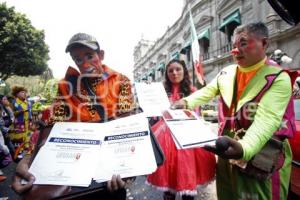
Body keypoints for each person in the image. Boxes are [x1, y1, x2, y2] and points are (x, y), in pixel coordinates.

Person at [171, 22, 295, 200]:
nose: (235, 51)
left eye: (243, 43)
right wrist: (184, 102)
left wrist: (245, 148)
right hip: (227, 151)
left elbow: (267, 119)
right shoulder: (226, 73)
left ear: (264, 43)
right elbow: (207, 92)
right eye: (234, 45)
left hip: (264, 155)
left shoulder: (278, 77)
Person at [11, 33, 136, 200]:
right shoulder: (66, 86)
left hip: (110, 170)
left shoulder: (122, 81)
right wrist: (27, 159)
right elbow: (51, 124)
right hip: (76, 169)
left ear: (101, 55)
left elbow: (127, 124)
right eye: (78, 59)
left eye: (90, 56)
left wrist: (126, 167)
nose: (85, 64)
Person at [147, 59, 216, 200]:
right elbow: (154, 113)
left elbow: (195, 113)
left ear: (184, 71)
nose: (174, 73)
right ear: (166, 74)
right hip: (165, 138)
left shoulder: (192, 91)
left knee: (188, 185)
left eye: (178, 69)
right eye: (170, 70)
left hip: (188, 138)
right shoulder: (160, 91)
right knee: (167, 185)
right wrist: (148, 94)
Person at [10, 86, 34, 160]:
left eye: (25, 92)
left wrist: (31, 119)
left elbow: (30, 112)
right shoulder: (15, 102)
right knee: (19, 138)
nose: (24, 94)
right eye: (22, 92)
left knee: (28, 137)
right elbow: (11, 113)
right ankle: (18, 153)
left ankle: (26, 151)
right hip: (19, 124)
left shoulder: (28, 102)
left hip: (28, 124)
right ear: (17, 94)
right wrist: (21, 112)